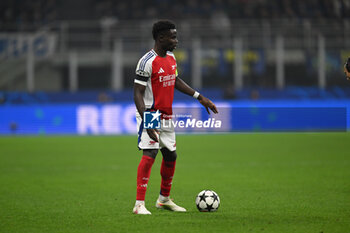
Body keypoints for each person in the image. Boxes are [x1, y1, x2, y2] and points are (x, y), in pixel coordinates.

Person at [133, 20, 218, 215]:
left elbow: (175, 80)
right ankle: (139, 204)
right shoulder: (147, 61)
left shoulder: (171, 57)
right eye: (173, 37)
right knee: (150, 153)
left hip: (167, 114)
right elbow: (137, 92)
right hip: (151, 113)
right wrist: (146, 120)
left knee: (171, 155)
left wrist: (200, 97)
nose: (176, 40)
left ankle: (163, 199)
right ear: (161, 38)